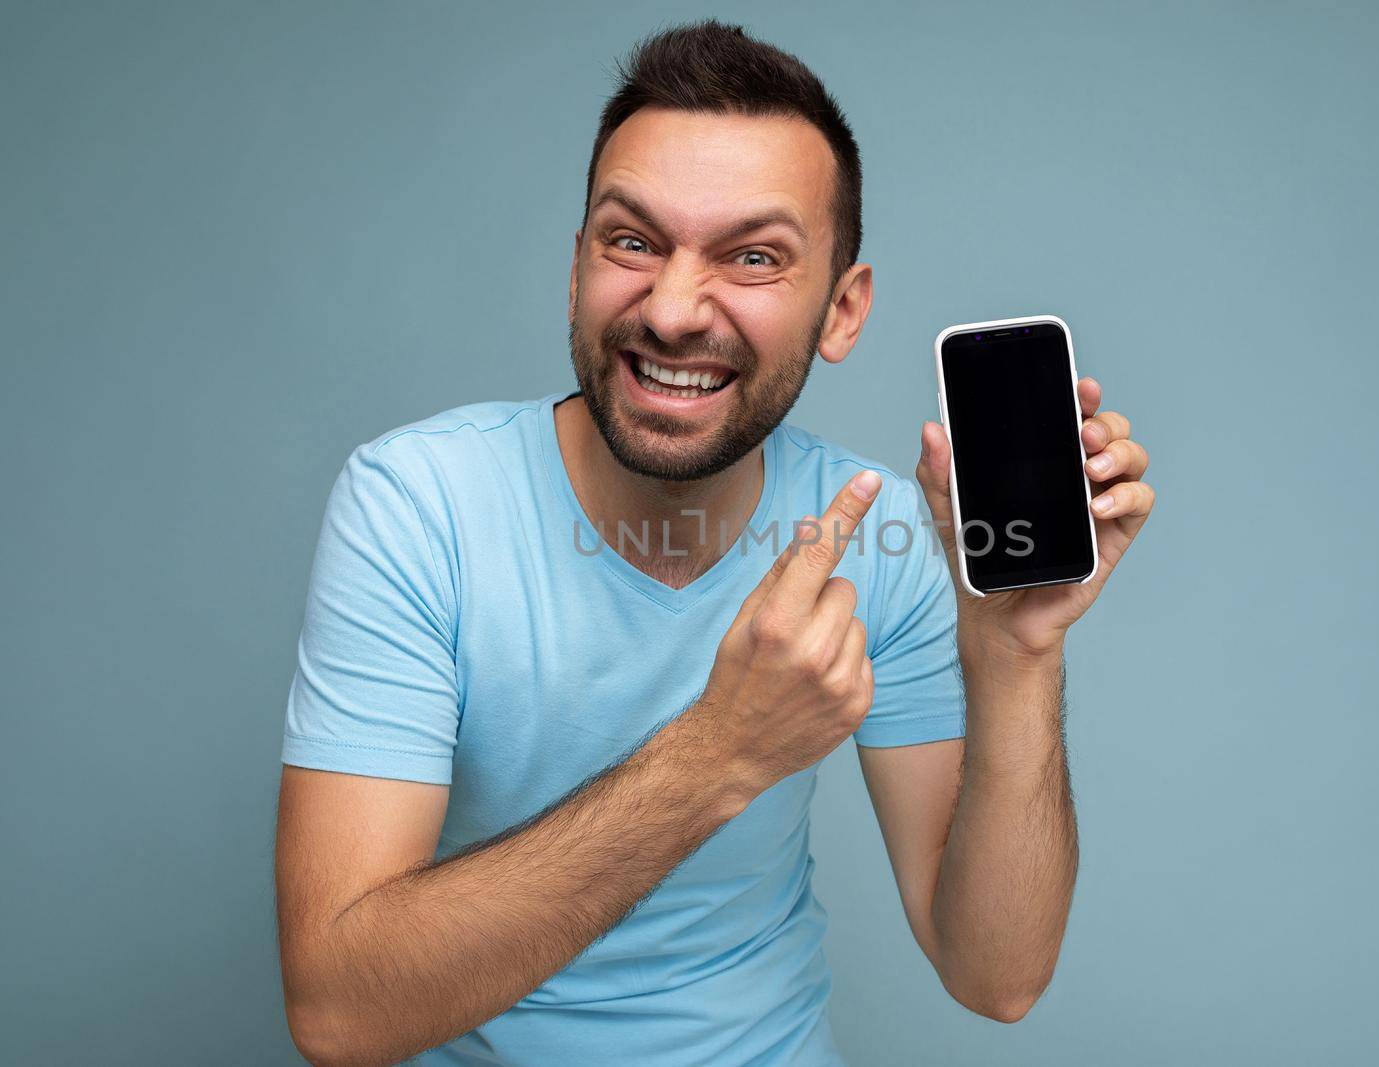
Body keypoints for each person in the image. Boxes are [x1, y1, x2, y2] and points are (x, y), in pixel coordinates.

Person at [274, 18, 1154, 1066]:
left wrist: (1016, 655)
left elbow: (996, 975)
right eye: (633, 241)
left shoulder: (869, 538)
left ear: (842, 309)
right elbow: (338, 1012)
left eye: (753, 257)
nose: (676, 308)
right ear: (575, 268)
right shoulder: (417, 503)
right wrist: (722, 751)